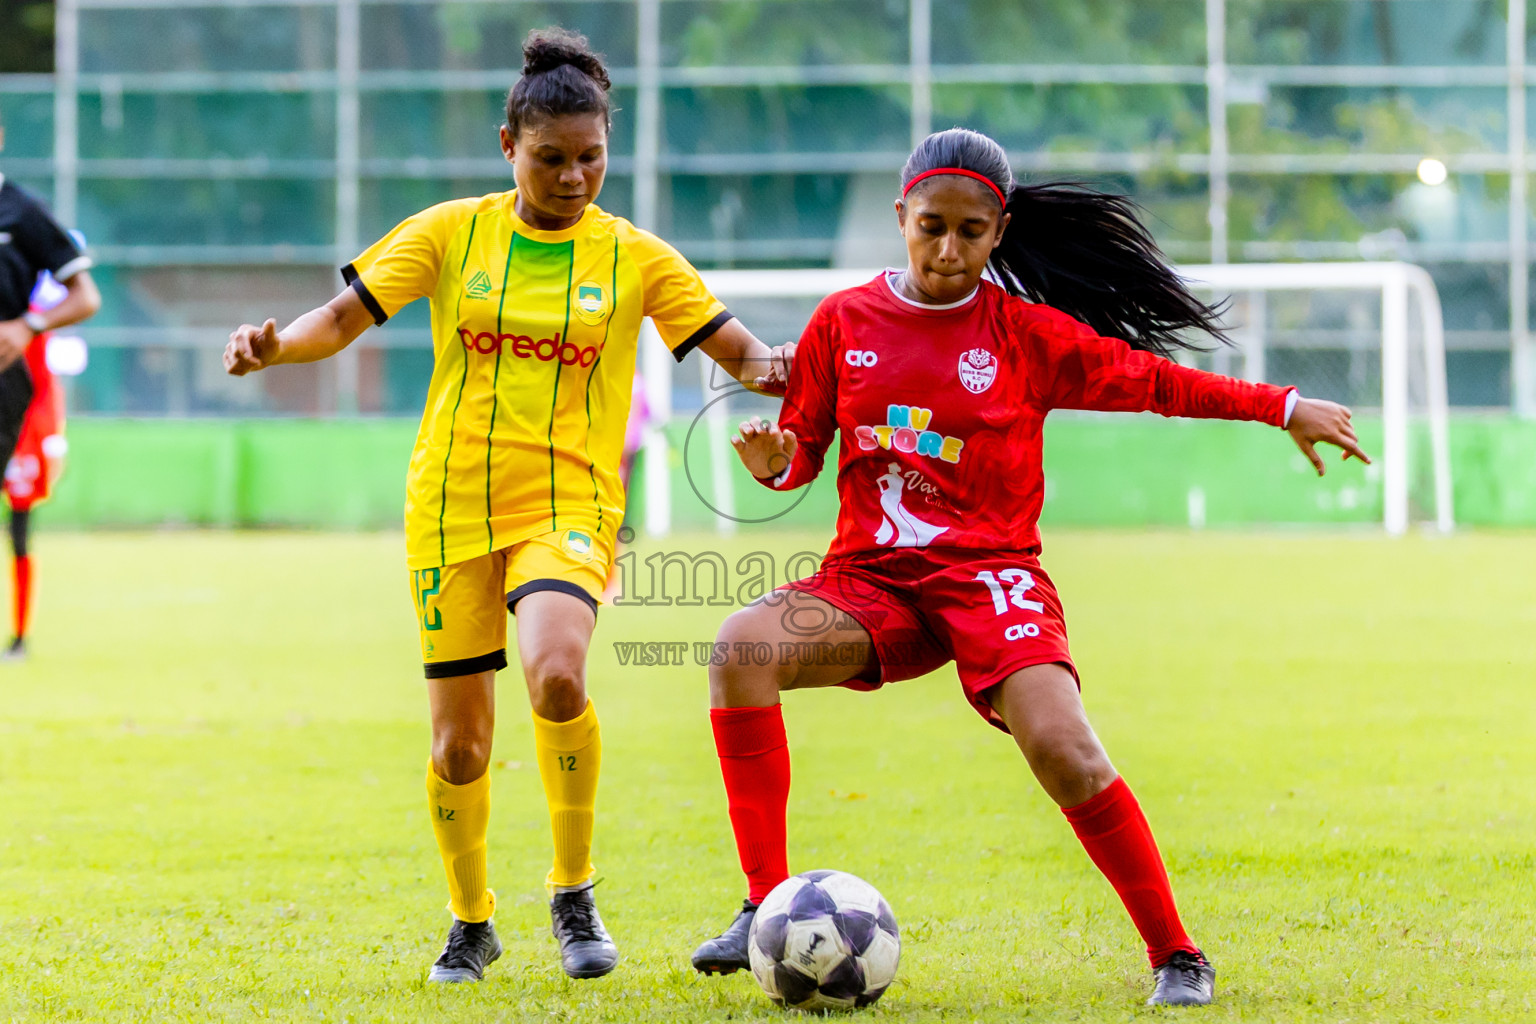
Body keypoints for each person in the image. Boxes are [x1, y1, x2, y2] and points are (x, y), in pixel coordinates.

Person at [689, 128, 1369, 1007]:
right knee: (741, 648)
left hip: (990, 578)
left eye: (970, 232)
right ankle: (762, 906)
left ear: (1000, 231)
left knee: (1063, 747)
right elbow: (802, 453)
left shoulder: (1025, 336)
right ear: (901, 217)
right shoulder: (842, 323)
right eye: (931, 227)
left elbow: (1157, 382)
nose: (948, 249)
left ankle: (1177, 954)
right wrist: (774, 463)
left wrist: (1283, 405)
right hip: (871, 584)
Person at [224, 29, 785, 985]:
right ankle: (471, 919)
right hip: (448, 508)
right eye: (551, 157)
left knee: (557, 673)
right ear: (507, 146)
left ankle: (573, 892)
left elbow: (748, 357)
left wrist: (831, 364)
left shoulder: (637, 258)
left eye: (591, 158)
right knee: (459, 747)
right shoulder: (452, 233)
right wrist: (275, 347)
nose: (573, 178)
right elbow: (341, 318)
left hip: (570, 502)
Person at [0, 128, 101, 663]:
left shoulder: (22, 214)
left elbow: (86, 297)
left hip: (12, 403)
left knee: (19, 529)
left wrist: (27, 325)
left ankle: (19, 636)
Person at [4, 262, 80, 659]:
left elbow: (45, 387)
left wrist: (51, 441)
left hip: (22, 438)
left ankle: (20, 637)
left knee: (19, 537)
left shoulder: (31, 326)